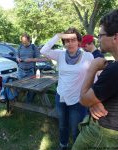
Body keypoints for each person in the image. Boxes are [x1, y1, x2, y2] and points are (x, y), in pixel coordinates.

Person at [40, 28, 94, 150]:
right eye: (66, 41)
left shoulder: (88, 56)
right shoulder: (60, 54)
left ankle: (77, 147)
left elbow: (94, 76)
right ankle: (63, 145)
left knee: (76, 129)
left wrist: (93, 97)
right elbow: (43, 50)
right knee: (63, 126)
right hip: (61, 98)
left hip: (78, 100)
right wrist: (58, 35)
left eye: (73, 40)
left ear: (79, 41)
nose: (70, 43)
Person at [72, 9, 118, 150]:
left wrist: (92, 68)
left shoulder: (114, 70)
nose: (98, 39)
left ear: (115, 37)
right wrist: (94, 101)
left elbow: (84, 99)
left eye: (101, 35)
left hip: (104, 133)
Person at [17, 33, 40, 103]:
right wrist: (17, 58)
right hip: (21, 71)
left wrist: (30, 59)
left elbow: (38, 59)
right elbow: (17, 55)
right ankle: (19, 102)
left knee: (31, 88)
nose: (24, 44)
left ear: (29, 40)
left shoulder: (34, 47)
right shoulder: (20, 46)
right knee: (20, 87)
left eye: (25, 42)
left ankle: (28, 102)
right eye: (22, 42)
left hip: (30, 71)